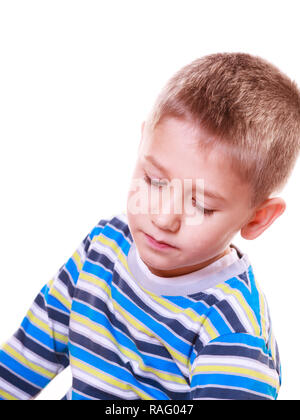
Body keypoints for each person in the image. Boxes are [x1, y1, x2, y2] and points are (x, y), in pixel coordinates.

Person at [1, 52, 299, 400]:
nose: (162, 218)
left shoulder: (229, 330)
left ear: (257, 218)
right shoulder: (102, 247)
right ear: (143, 144)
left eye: (200, 205)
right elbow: (24, 359)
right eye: (155, 181)